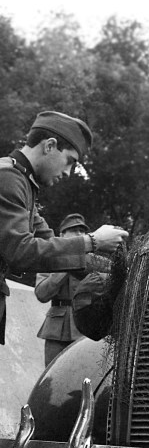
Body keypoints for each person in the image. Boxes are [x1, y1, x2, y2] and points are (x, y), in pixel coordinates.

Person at [0, 110, 128, 345]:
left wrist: (120, 272)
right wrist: (93, 241)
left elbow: (54, 247)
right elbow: (21, 251)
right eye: (70, 161)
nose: (69, 172)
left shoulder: (22, 183)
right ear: (50, 145)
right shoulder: (8, 179)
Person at [35, 213, 95, 366]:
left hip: (84, 327)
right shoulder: (48, 258)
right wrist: (66, 262)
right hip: (56, 330)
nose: (80, 234)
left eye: (82, 231)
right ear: (62, 235)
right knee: (52, 379)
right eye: (74, 230)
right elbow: (41, 294)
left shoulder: (91, 261)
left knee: (83, 379)